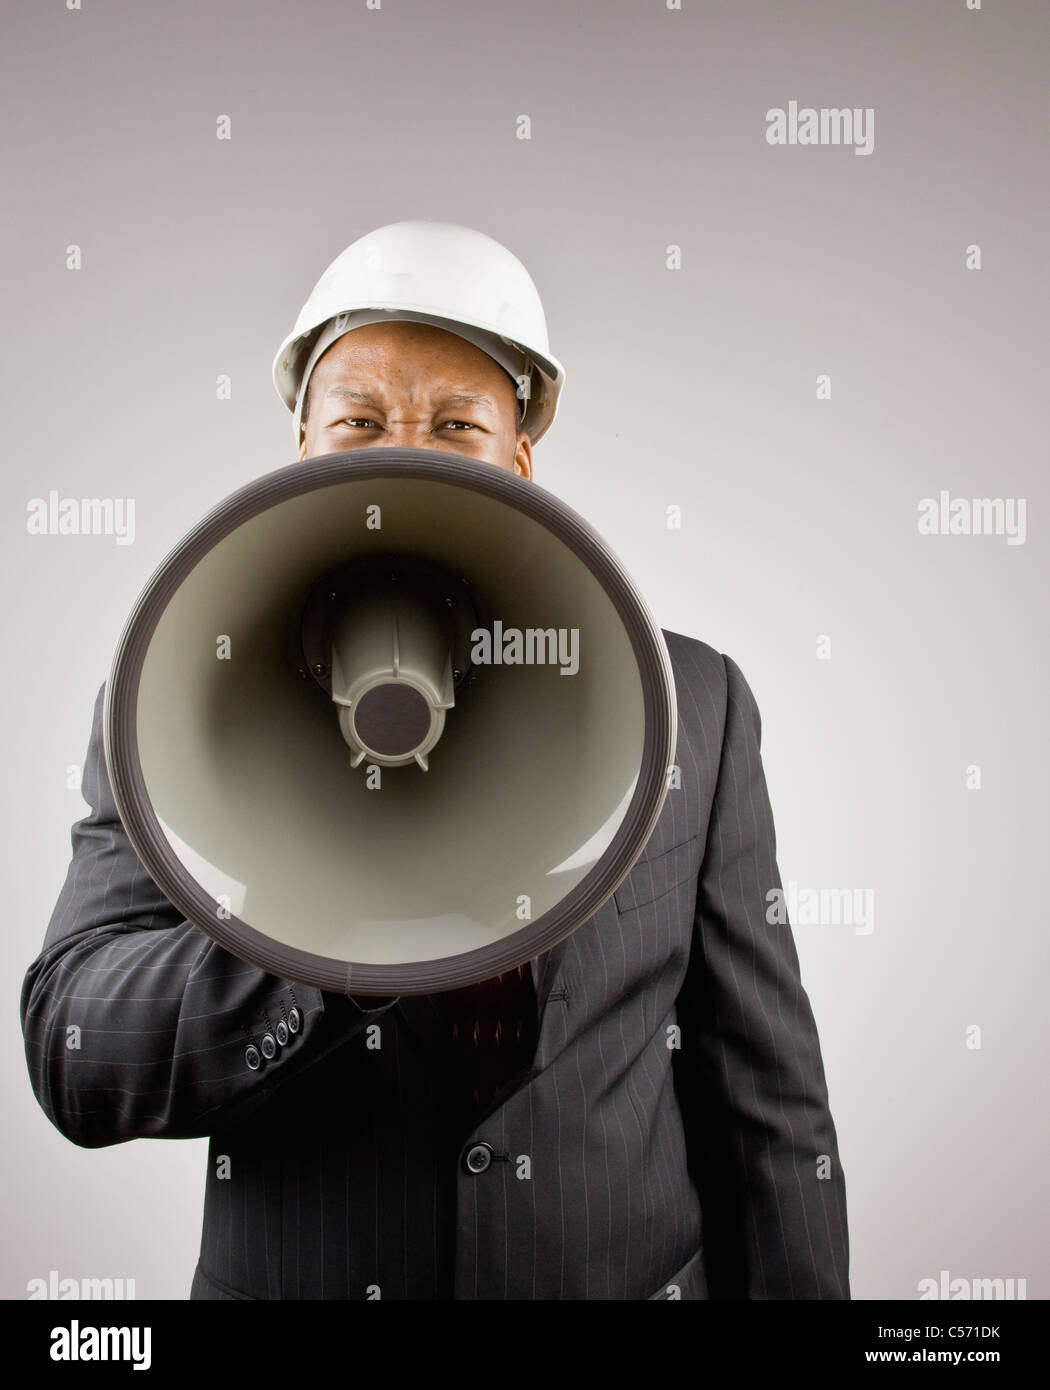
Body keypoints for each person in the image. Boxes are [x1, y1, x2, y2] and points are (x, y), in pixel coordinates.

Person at [20, 221, 849, 1300]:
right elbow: (76, 1054)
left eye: (455, 423)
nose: (405, 454)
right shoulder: (179, 698)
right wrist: (326, 944)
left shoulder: (693, 704)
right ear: (303, 454)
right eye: (360, 419)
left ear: (520, 461)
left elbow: (770, 1108)